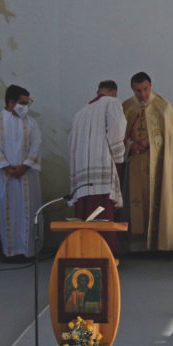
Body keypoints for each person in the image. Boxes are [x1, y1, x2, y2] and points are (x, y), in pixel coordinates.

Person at [122, 71, 173, 251]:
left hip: (157, 164)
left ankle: (160, 242)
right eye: (138, 90)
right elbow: (118, 135)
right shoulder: (127, 107)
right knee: (134, 201)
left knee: (157, 200)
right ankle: (137, 244)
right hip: (134, 162)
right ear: (132, 89)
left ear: (150, 86)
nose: (142, 94)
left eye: (145, 89)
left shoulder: (163, 107)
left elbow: (170, 138)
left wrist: (150, 141)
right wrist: (131, 144)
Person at [0, 85, 41, 260]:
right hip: (2, 177)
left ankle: (28, 251)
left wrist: (25, 166)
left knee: (28, 212)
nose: (26, 107)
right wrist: (7, 167)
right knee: (5, 213)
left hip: (27, 176)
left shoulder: (31, 123)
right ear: (11, 102)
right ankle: (10, 251)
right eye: (23, 103)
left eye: (28, 103)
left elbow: (36, 145)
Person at [68, 80, 127, 254]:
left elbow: (71, 143)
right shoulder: (112, 102)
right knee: (102, 214)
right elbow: (118, 128)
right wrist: (118, 158)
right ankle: (104, 253)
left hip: (82, 172)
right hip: (101, 167)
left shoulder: (80, 113)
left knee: (84, 215)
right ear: (113, 92)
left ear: (98, 92)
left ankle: (84, 252)